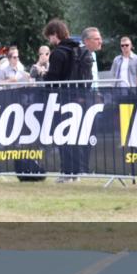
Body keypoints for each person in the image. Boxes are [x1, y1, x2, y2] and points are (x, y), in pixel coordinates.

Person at [43, 19, 84, 181]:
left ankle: (67, 172)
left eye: (49, 37)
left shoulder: (58, 53)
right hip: (78, 97)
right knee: (74, 136)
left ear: (55, 34)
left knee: (62, 135)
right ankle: (76, 171)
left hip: (61, 98)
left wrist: (43, 75)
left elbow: (53, 78)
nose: (49, 41)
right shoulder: (77, 49)